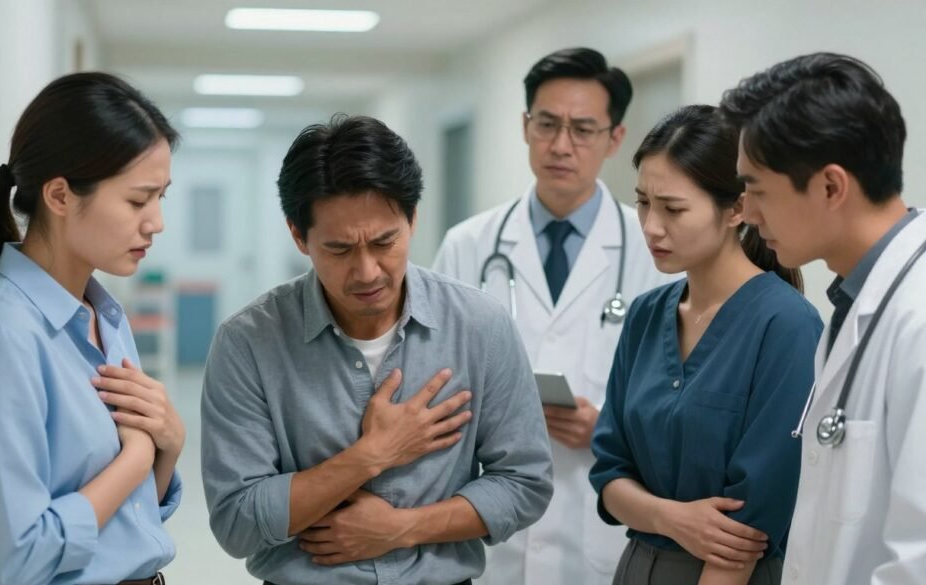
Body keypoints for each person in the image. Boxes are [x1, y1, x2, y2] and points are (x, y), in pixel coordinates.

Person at [200, 114, 553, 585]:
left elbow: (525, 482)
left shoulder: (479, 326)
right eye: (340, 250)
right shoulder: (248, 342)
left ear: (412, 218)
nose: (367, 272)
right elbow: (237, 523)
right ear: (298, 236)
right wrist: (370, 455)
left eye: (385, 242)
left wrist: (403, 528)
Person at [0, 72, 185, 585]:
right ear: (60, 196)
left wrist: (169, 445)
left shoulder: (104, 316)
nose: (156, 222)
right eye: (138, 200)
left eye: (162, 196)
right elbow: (13, 560)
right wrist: (138, 456)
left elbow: (131, 523)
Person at [433, 47, 668, 584]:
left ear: (615, 138)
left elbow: (679, 400)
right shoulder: (468, 246)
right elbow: (434, 377)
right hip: (490, 526)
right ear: (525, 126)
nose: (561, 145)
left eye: (583, 129)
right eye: (547, 124)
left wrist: (608, 428)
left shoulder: (655, 252)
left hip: (602, 529)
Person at [588, 104, 823, 585]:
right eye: (643, 202)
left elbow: (747, 528)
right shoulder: (645, 315)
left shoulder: (787, 326)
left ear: (737, 209)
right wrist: (671, 518)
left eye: (673, 209)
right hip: (635, 565)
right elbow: (609, 476)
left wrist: (652, 511)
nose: (651, 226)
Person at [720, 53, 926, 585]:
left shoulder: (917, 318)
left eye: (758, 190)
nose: (749, 214)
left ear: (831, 187)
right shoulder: (853, 301)